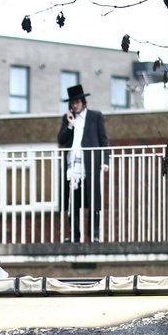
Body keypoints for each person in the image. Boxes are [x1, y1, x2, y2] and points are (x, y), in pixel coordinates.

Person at [56, 82, 110, 242]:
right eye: (72, 103)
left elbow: (104, 140)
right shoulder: (67, 119)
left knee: (93, 200)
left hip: (90, 164)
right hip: (71, 166)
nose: (75, 105)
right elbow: (61, 139)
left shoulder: (95, 117)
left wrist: (105, 160)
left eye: (77, 102)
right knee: (72, 202)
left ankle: (94, 234)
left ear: (83, 102)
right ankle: (74, 235)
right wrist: (70, 125)